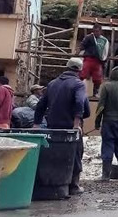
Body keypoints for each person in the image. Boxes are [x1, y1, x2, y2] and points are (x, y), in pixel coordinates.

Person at [34, 58, 90, 195]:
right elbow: (79, 103)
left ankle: (55, 183)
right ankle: (74, 186)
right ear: (80, 70)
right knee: (76, 155)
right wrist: (76, 124)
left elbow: (41, 105)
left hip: (53, 127)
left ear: (67, 67)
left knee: (55, 155)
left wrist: (36, 124)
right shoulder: (79, 84)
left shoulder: (52, 84)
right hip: (70, 127)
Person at [95, 67, 118, 181]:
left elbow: (101, 106)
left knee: (107, 147)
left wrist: (97, 122)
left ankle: (106, 175)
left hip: (108, 122)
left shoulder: (106, 86)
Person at [79, 23, 110, 97]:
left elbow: (105, 51)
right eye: (94, 31)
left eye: (97, 31)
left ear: (100, 31)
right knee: (82, 74)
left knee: (98, 78)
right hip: (88, 58)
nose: (96, 33)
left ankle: (95, 92)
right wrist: (78, 51)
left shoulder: (104, 40)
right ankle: (79, 89)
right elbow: (82, 45)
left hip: (98, 61)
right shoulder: (89, 37)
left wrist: (104, 60)